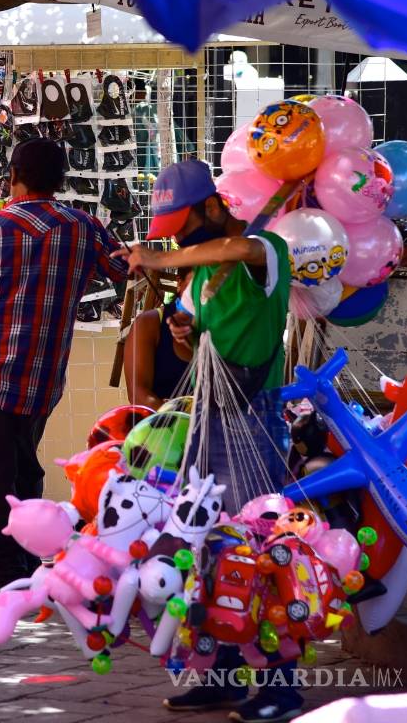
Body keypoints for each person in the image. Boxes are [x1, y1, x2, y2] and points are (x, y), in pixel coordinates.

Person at [117, 161, 299, 723]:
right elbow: (188, 350)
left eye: (180, 222)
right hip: (207, 415)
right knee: (205, 547)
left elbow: (237, 252)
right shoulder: (198, 276)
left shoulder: (266, 249)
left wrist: (160, 259)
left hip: (253, 415)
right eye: (166, 229)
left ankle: (281, 682)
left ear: (213, 206)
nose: (173, 235)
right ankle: (220, 673)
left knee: (258, 547)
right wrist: (183, 334)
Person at [0, 138, 129, 595]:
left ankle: (2, 569)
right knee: (23, 463)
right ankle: (24, 555)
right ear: (61, 179)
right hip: (43, 373)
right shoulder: (84, 228)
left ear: (13, 175)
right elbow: (127, 272)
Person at [123, 270, 193, 409]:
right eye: (197, 283)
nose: (207, 292)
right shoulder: (149, 323)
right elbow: (138, 393)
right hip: (164, 426)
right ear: (179, 283)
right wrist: (174, 418)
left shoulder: (230, 327)